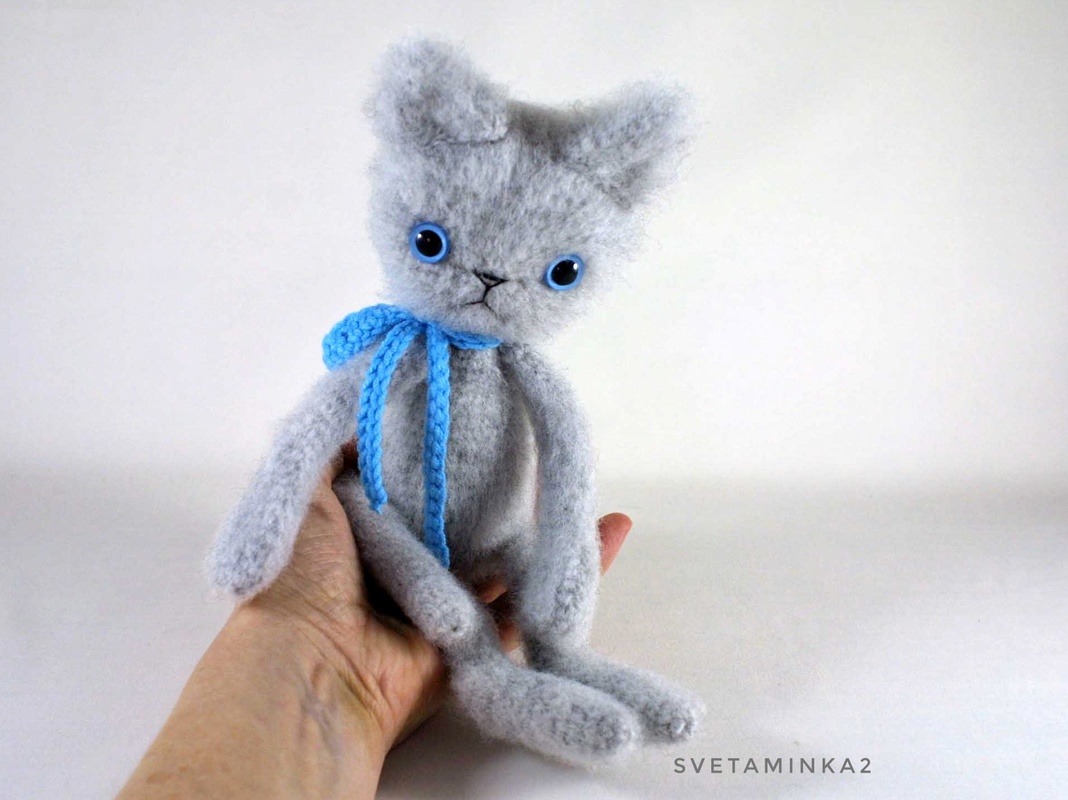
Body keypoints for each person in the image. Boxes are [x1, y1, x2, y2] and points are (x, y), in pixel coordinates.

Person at [117, 444, 632, 799]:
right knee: (373, 516)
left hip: (487, 543)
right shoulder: (382, 390)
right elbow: (309, 438)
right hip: (384, 521)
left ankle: (560, 666)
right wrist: (273, 579)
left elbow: (566, 446)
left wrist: (567, 523)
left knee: (527, 584)